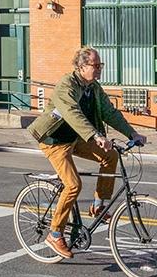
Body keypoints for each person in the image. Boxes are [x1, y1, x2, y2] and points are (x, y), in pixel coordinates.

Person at [28, 47, 146, 260]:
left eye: (101, 65)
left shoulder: (93, 87)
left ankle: (98, 206)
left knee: (110, 156)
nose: (99, 69)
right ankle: (55, 234)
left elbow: (110, 113)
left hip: (76, 138)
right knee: (73, 185)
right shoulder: (66, 85)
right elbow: (72, 113)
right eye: (95, 65)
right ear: (81, 67)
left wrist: (132, 133)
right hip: (55, 141)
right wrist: (95, 135)